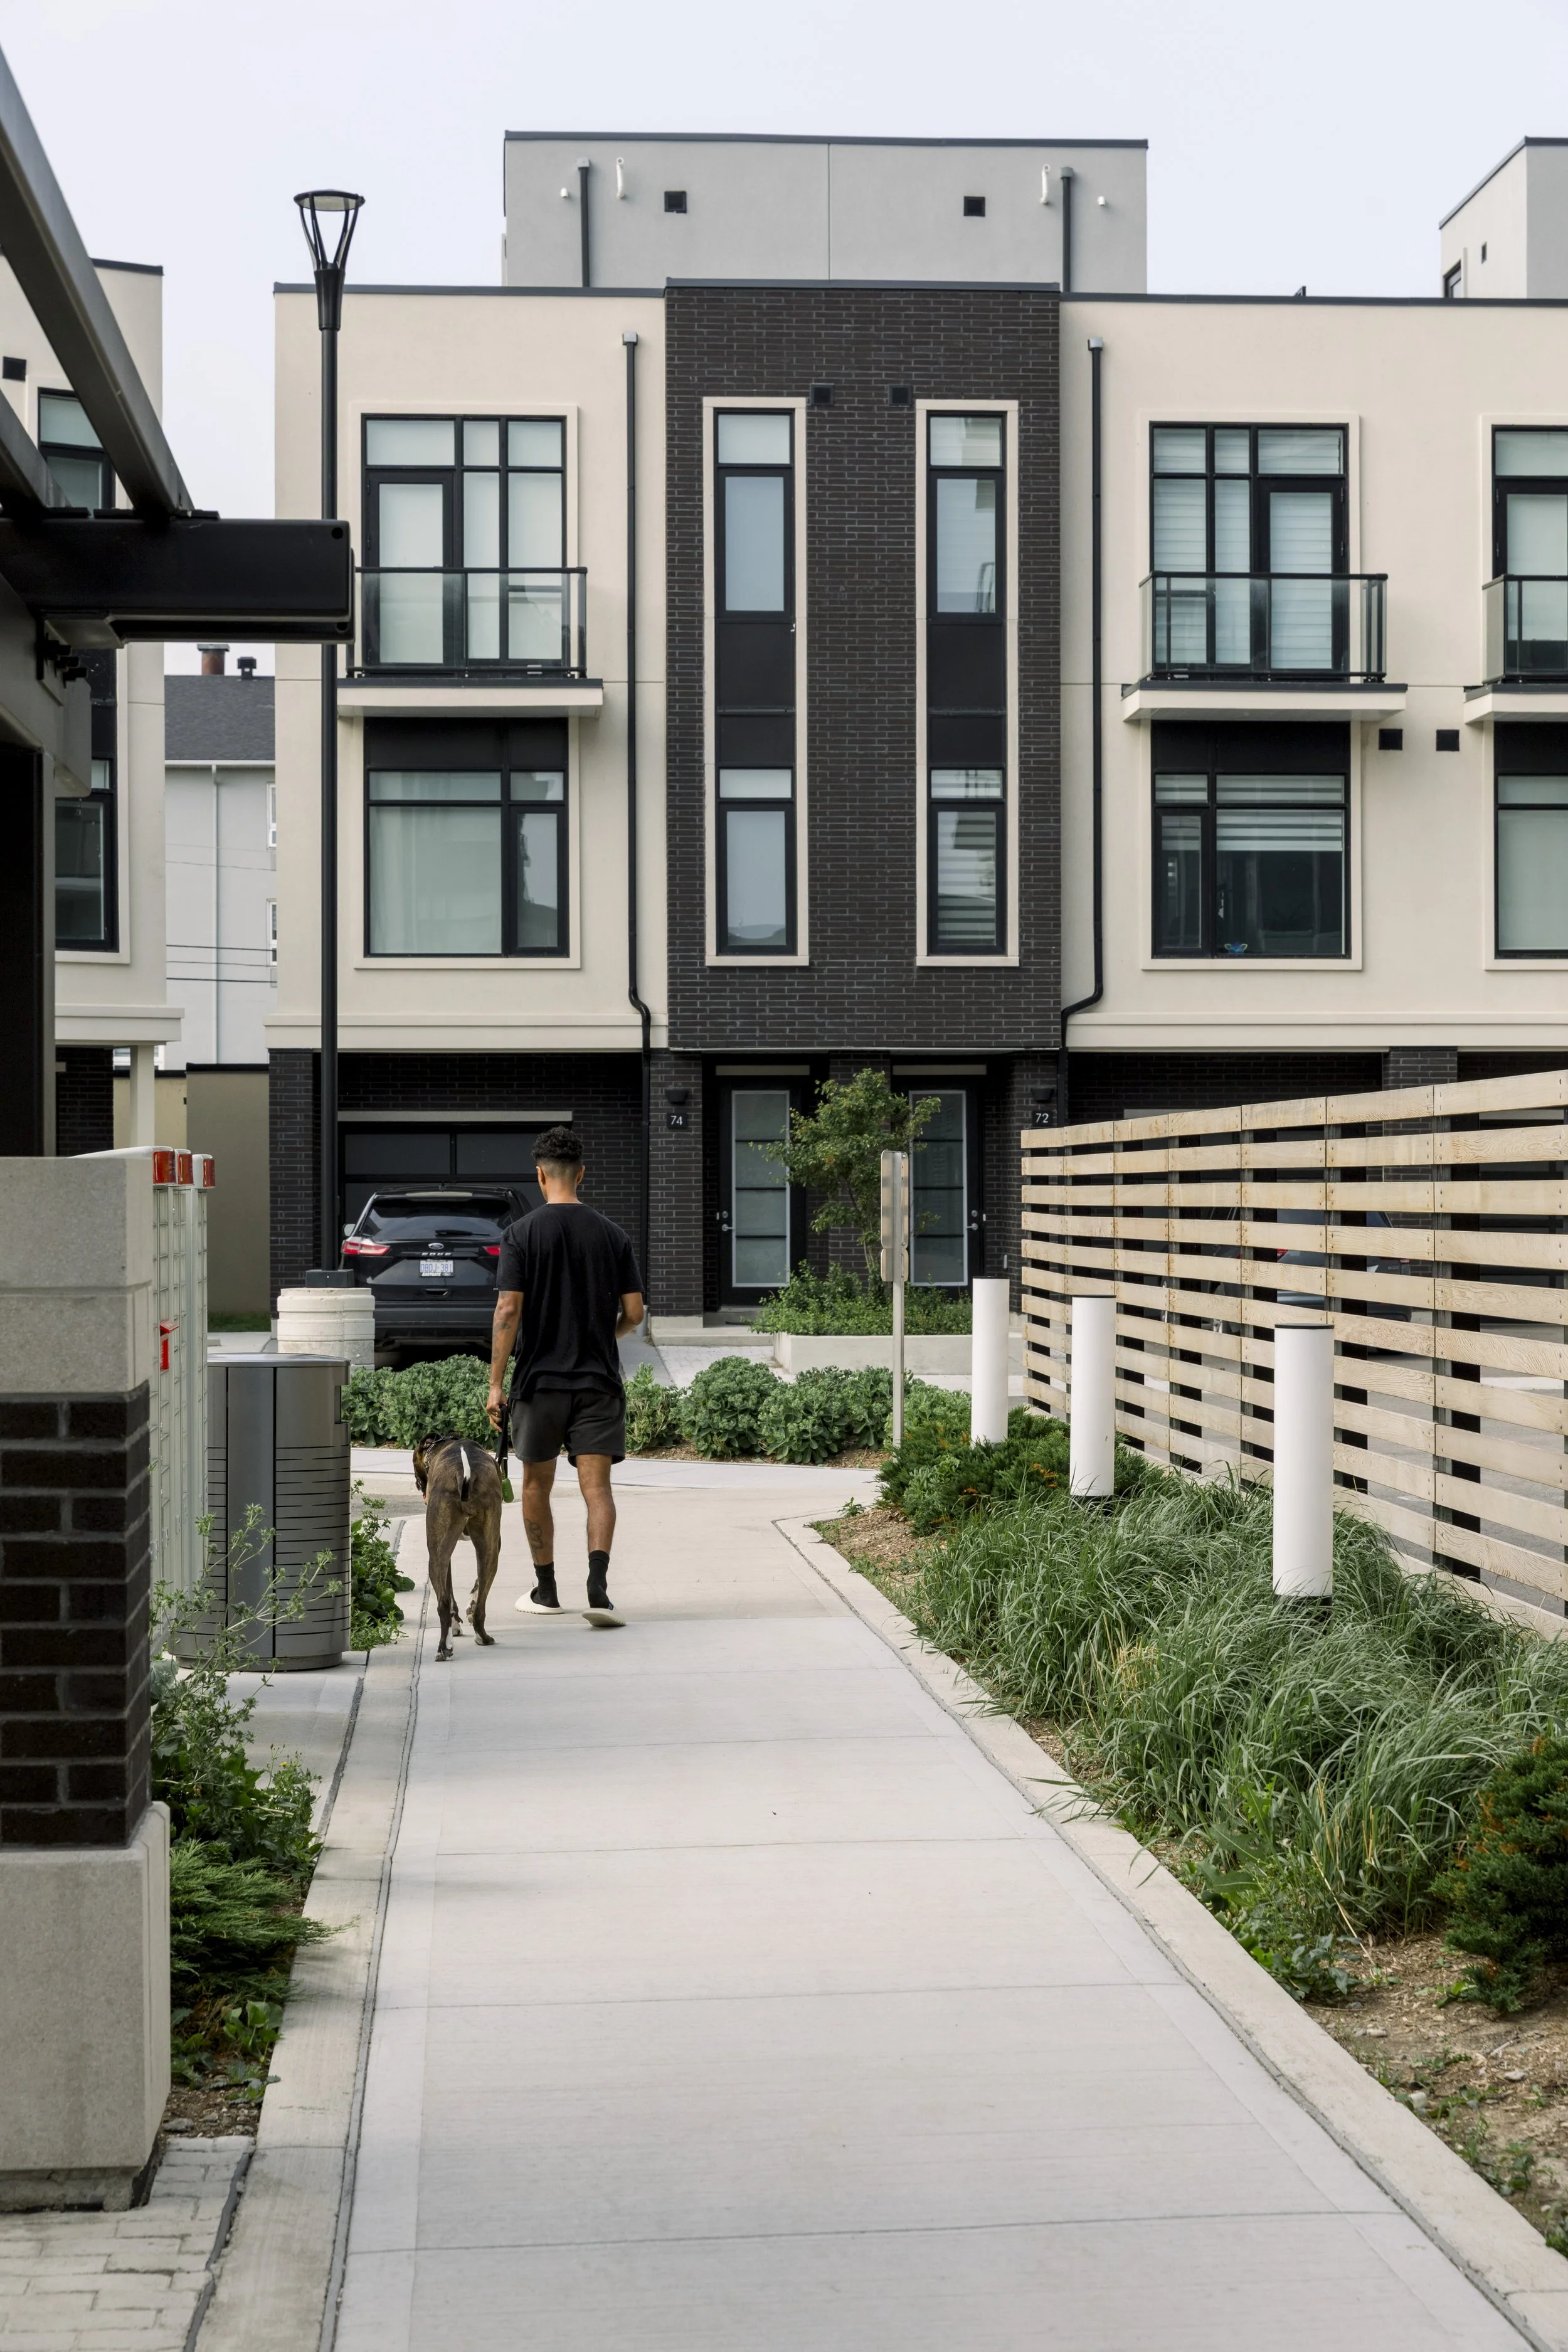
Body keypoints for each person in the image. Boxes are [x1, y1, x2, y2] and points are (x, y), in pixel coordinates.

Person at [486, 1126, 644, 1624]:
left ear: (540, 1175)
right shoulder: (612, 1234)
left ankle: (546, 1589)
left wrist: (495, 1383)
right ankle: (598, 1586)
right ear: (581, 1173)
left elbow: (508, 1310)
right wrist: (601, 1337)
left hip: (540, 1385)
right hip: (598, 1383)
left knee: (536, 1485)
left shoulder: (521, 1234)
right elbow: (636, 1314)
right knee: (597, 1490)